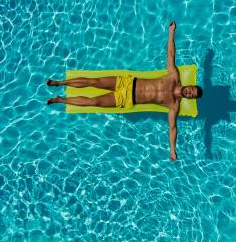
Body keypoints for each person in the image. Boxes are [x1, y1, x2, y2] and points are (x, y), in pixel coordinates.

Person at [46, 21, 203, 161]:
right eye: (191, 89)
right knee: (94, 81)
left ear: (190, 98)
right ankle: (60, 82)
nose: (189, 92)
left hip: (127, 99)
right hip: (127, 82)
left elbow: (173, 128)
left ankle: (61, 100)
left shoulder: (175, 105)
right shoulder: (174, 76)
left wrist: (172, 149)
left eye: (191, 95)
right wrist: (171, 32)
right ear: (190, 86)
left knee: (94, 102)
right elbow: (171, 54)